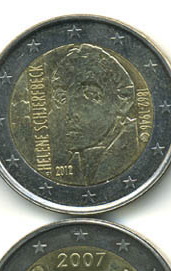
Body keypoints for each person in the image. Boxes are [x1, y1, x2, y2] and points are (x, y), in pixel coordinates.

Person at [50, 44, 139, 185]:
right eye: (62, 99)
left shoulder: (134, 150)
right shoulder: (74, 162)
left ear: (122, 102)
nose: (70, 114)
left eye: (90, 95)